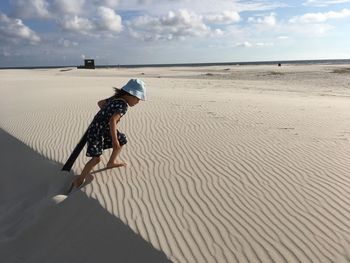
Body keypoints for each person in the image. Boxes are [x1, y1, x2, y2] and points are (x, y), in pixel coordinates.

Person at [70, 78, 146, 190]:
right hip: (97, 131)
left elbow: (100, 103)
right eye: (138, 99)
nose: (138, 102)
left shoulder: (115, 98)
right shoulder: (123, 106)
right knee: (96, 159)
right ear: (131, 95)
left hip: (100, 127)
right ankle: (80, 179)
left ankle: (111, 162)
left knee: (122, 140)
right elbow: (112, 121)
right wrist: (114, 140)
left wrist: (106, 113)